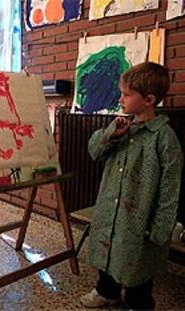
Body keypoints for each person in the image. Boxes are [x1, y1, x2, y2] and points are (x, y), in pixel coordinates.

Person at [80, 62, 184, 310]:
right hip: (110, 210)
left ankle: (138, 304)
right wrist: (111, 134)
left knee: (137, 264)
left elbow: (171, 187)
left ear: (148, 99)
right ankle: (107, 291)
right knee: (108, 252)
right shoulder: (121, 128)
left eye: (127, 94)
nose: (121, 98)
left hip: (140, 218)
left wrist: (161, 228)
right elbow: (94, 150)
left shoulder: (163, 137)